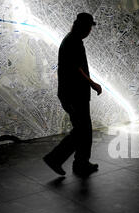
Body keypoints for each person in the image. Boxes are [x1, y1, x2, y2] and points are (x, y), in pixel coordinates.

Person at [44, 13, 102, 177]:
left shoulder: (73, 40)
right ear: (83, 27)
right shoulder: (72, 42)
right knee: (81, 130)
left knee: (85, 129)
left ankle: (81, 163)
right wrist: (93, 83)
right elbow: (77, 69)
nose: (90, 30)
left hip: (77, 94)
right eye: (89, 27)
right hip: (73, 95)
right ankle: (55, 158)